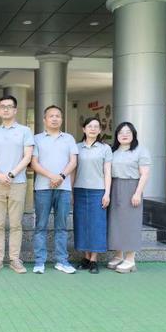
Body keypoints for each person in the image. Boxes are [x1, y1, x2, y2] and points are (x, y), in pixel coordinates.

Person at [0, 95, 34, 273]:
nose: (6, 109)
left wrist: (12, 173)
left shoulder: (24, 131)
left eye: (9, 106)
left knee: (15, 224)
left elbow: (27, 156)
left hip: (18, 183)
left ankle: (14, 259)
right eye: (2, 107)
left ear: (15, 110)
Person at [31, 105, 78, 274]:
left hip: (63, 189)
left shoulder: (69, 139)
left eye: (58, 116)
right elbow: (34, 163)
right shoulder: (36, 139)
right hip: (43, 188)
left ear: (62, 119)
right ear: (44, 119)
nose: (55, 118)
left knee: (62, 227)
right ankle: (39, 261)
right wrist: (52, 176)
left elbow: (73, 162)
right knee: (41, 226)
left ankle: (62, 261)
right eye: (51, 116)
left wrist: (61, 177)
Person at [69, 117, 112, 274]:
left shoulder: (105, 148)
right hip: (80, 190)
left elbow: (107, 172)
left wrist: (107, 193)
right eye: (90, 126)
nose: (93, 129)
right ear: (84, 129)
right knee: (81, 224)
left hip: (97, 191)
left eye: (96, 126)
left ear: (100, 130)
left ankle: (94, 259)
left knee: (96, 225)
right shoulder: (77, 147)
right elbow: (72, 171)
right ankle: (85, 257)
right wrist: (71, 191)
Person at [107, 122, 151, 273]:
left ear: (133, 134)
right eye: (120, 132)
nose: (124, 135)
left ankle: (130, 258)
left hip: (132, 187)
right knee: (115, 222)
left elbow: (145, 174)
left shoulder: (140, 151)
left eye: (127, 132)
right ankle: (118, 255)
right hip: (114, 186)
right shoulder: (113, 151)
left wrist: (138, 193)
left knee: (130, 222)